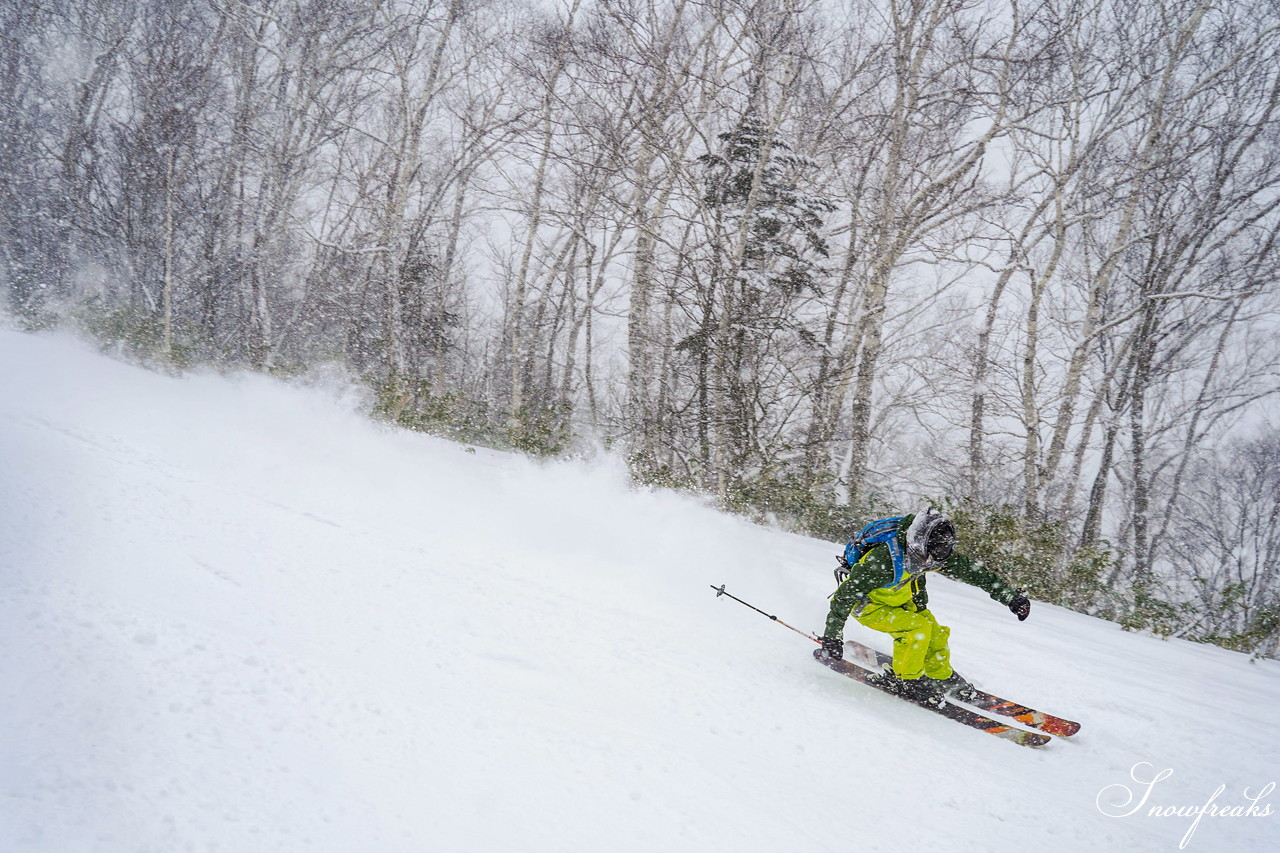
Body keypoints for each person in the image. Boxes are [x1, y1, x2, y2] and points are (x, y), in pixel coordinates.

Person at [814, 507, 1031, 705]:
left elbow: (974, 572)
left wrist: (1011, 597)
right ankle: (905, 680)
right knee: (916, 630)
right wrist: (832, 636)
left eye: (936, 560)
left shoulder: (936, 549)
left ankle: (940, 675)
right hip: (869, 605)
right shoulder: (882, 561)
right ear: (916, 544)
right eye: (926, 559)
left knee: (935, 634)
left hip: (900, 598)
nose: (930, 564)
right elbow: (844, 596)